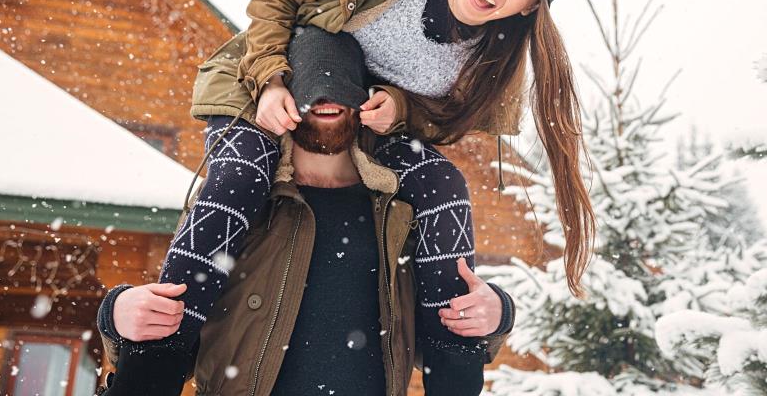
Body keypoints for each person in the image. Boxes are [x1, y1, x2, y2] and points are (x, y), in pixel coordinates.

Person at [95, 26, 515, 395]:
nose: (325, 99)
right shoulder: (242, 202)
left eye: (341, 86)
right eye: (311, 85)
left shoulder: (400, 212)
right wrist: (118, 315)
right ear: (279, 97)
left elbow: (439, 341)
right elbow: (174, 327)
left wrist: (494, 314)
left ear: (365, 100)